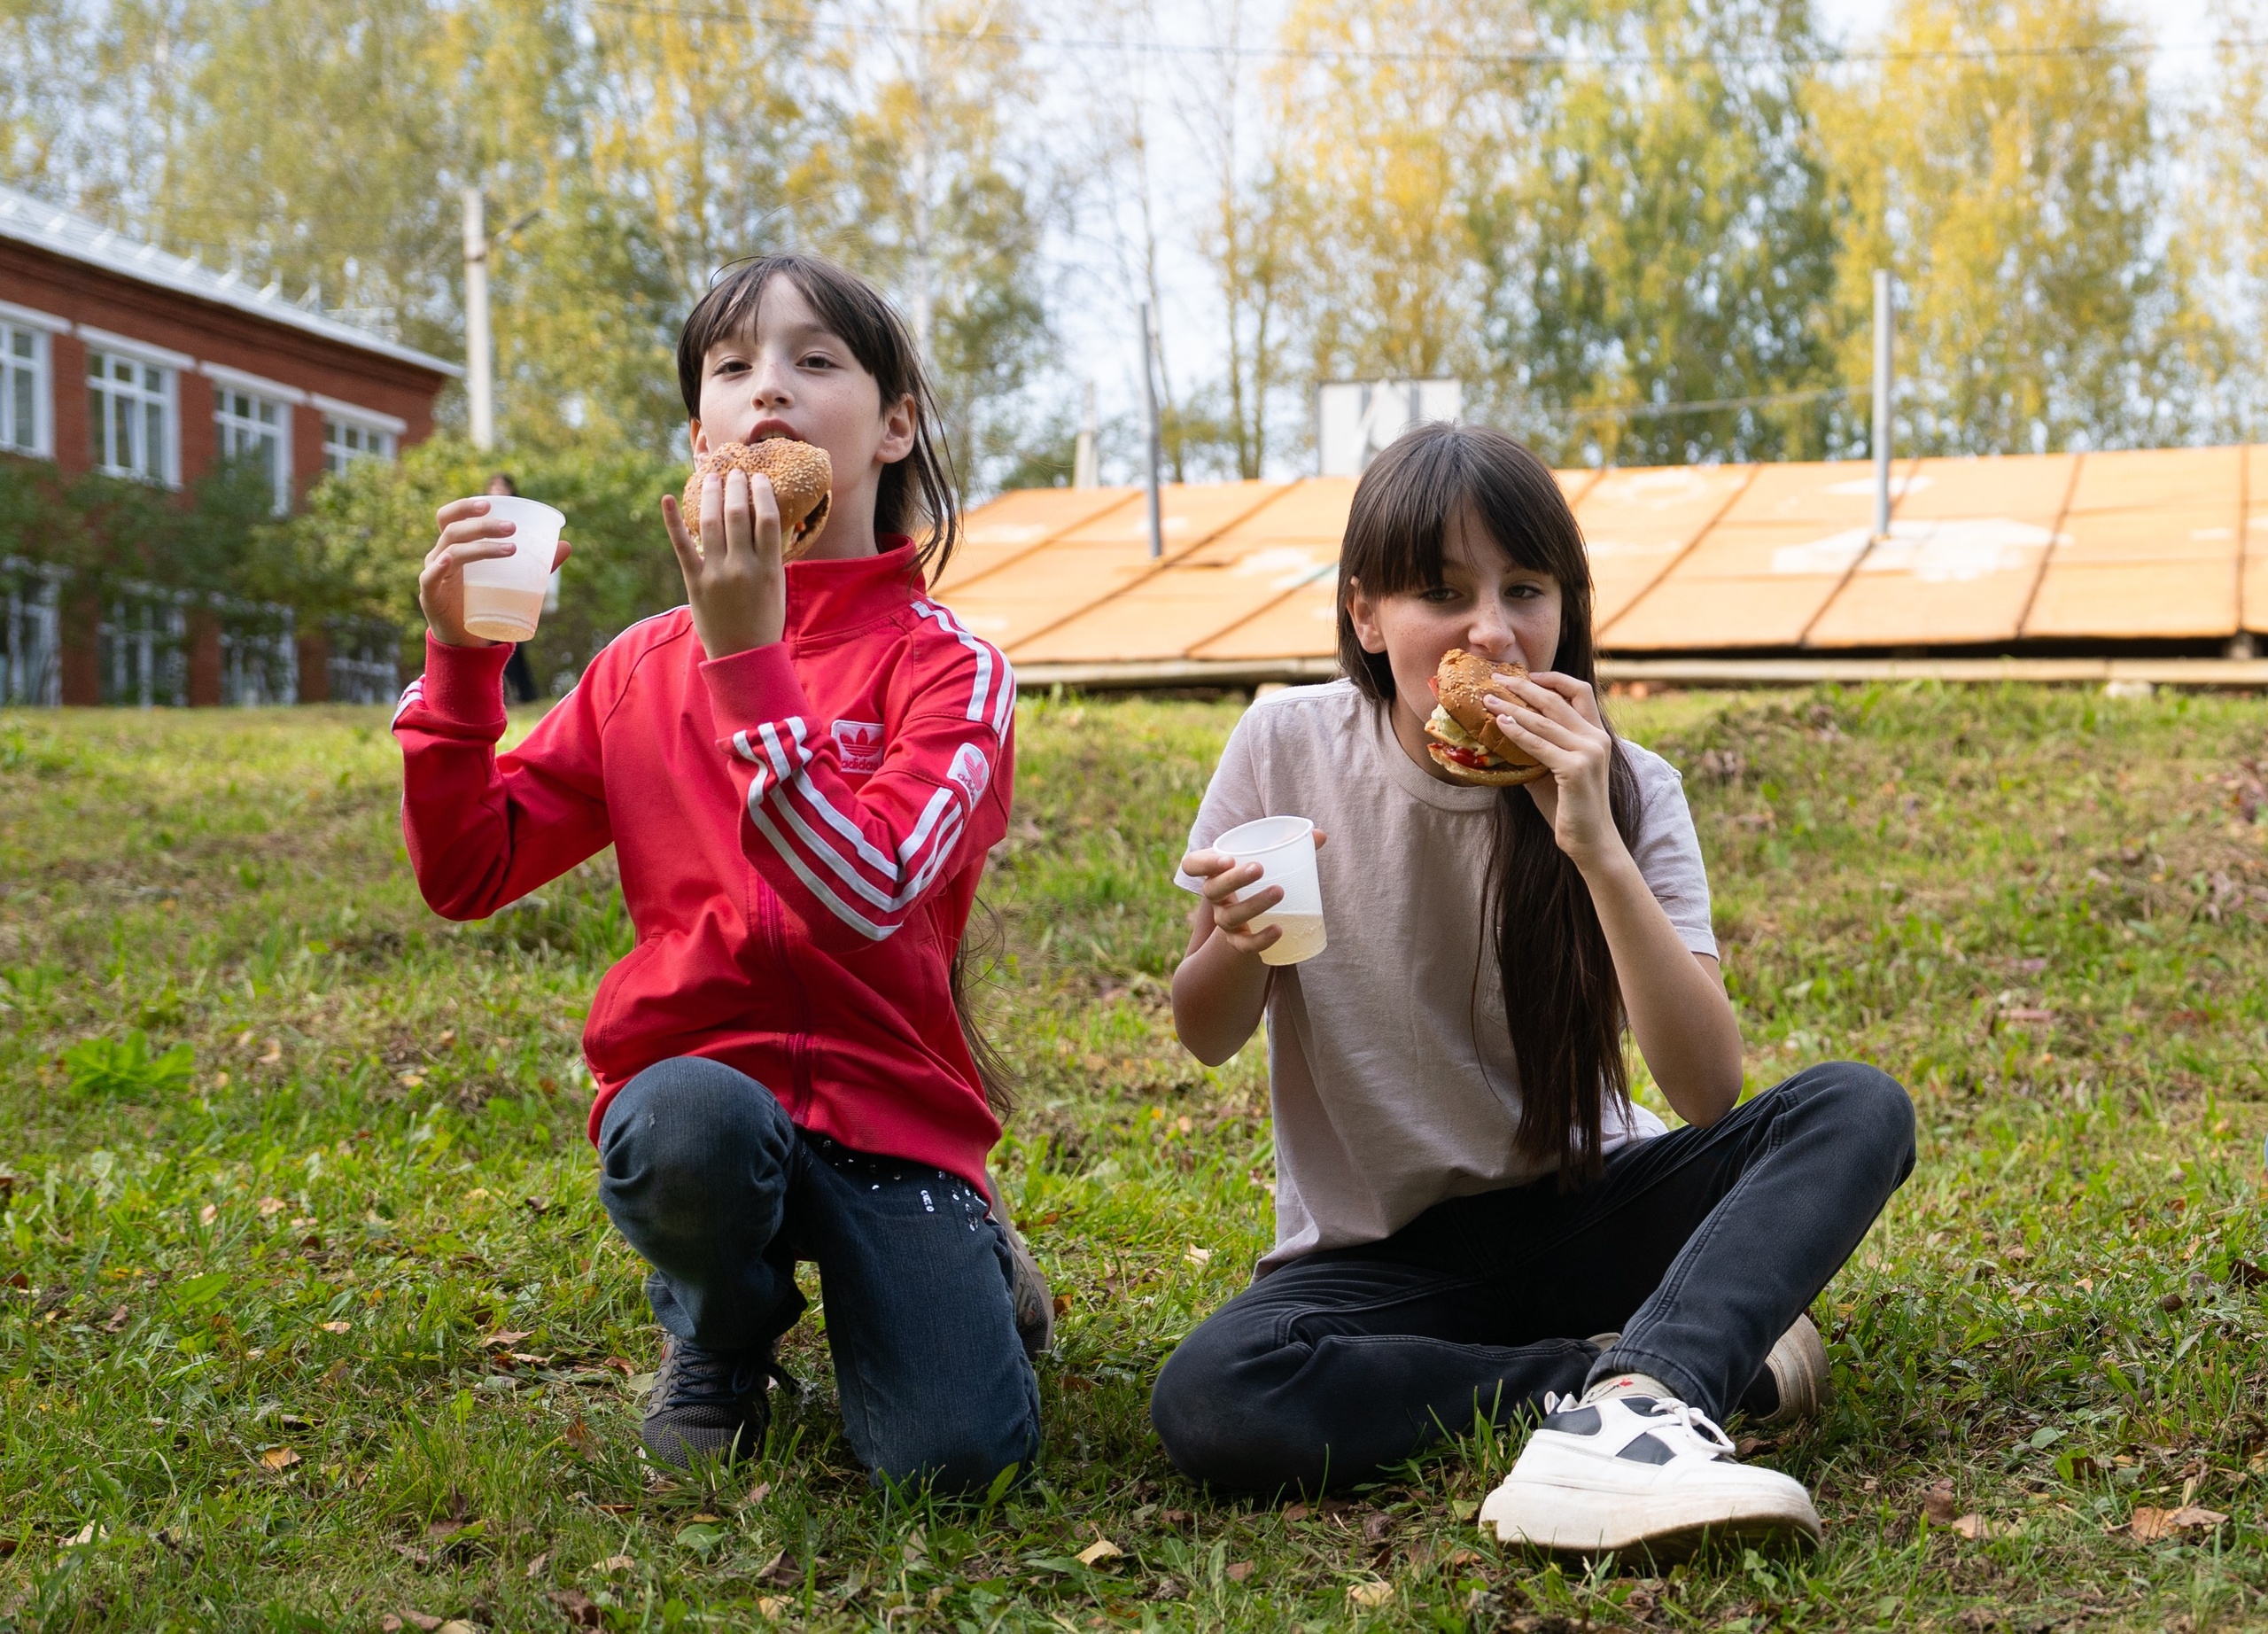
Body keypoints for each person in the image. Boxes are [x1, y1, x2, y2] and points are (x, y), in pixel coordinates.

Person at [1150, 423, 1915, 1557]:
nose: (1492, 630)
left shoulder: (1630, 784)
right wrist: (1231, 941)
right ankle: (1643, 1378)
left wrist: (1594, 844)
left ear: (1568, 604)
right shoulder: (1286, 744)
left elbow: (1706, 1087)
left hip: (1586, 1207)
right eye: (1440, 592)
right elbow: (1205, 1033)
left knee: (1857, 1105)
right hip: (1378, 1260)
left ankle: (1646, 1378)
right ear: (1366, 614)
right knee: (1215, 1392)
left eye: (1525, 588)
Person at [393, 253, 1047, 1492]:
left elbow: (867, 894)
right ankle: (720, 1330)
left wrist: (752, 663)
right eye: (734, 369)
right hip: (707, 1102)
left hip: (890, 1113)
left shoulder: (948, 669)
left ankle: (967, 1262)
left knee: (953, 1464)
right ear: (701, 433)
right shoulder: (639, 668)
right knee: (686, 1121)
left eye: (816, 362)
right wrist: (461, 662)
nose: (772, 394)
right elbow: (469, 867)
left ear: (896, 424)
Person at [484, 473, 543, 705]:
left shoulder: (522, 516)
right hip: (489, 586)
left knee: (514, 643)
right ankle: (499, 695)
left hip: (514, 585)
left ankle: (524, 694)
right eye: (494, 486)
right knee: (492, 643)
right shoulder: (483, 515)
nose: (498, 490)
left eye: (502, 486)